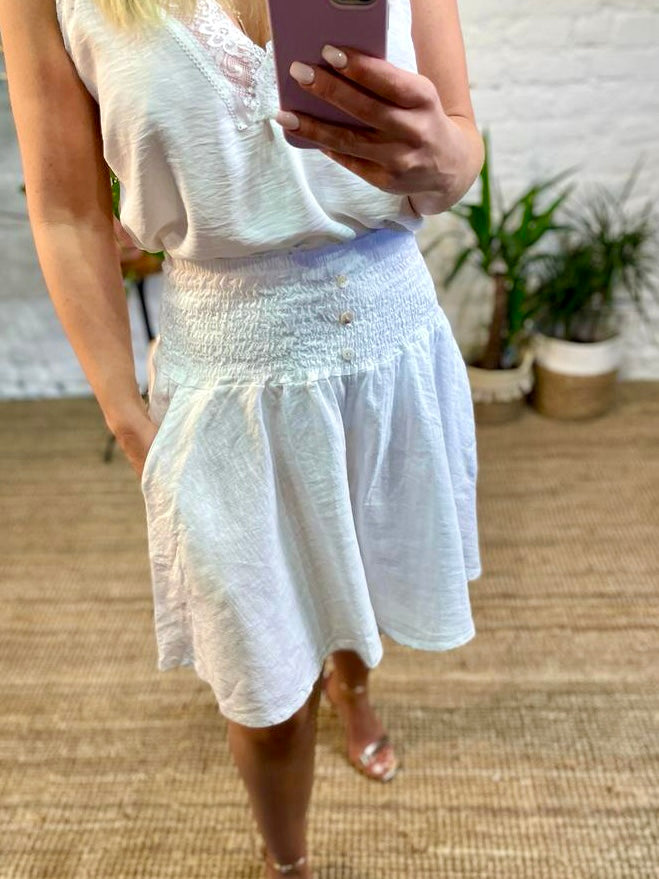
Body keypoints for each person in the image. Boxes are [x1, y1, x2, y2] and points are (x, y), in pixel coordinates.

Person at [1, 0, 484, 875]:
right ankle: (286, 862)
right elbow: (68, 209)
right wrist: (121, 408)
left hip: (389, 342)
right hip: (223, 372)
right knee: (262, 684)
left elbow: (456, 148)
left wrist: (447, 159)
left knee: (359, 565)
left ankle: (353, 688)